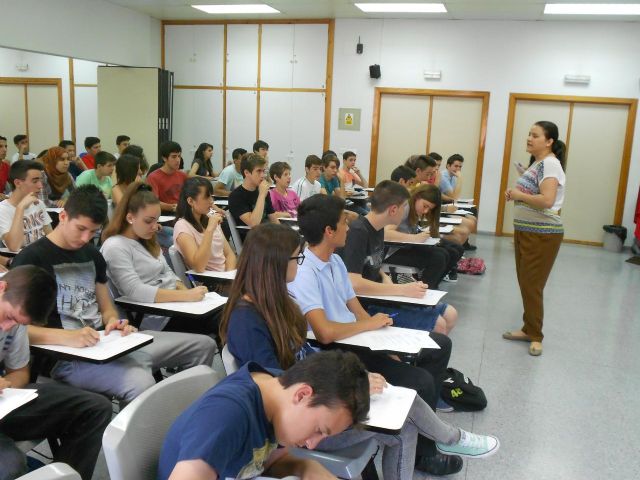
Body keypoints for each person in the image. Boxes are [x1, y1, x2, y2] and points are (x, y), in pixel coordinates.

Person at [220, 223, 499, 480]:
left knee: (401, 405)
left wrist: (353, 378)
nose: (300, 263)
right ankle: (451, 438)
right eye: (297, 257)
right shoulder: (247, 321)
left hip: (314, 400)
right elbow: (279, 385)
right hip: (301, 424)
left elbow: (304, 358)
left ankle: (450, 438)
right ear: (278, 264)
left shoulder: (278, 303)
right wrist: (347, 386)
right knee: (403, 419)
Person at [288, 194, 464, 476]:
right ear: (328, 231)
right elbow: (324, 332)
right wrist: (369, 327)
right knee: (420, 381)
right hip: (338, 351)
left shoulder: (333, 261)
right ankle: (426, 453)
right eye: (344, 223)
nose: (349, 227)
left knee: (437, 344)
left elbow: (354, 307)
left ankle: (424, 439)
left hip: (358, 341)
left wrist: (382, 337)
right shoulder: (305, 272)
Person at [11, 185, 215, 405]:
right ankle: (136, 436)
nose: (85, 238)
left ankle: (185, 416)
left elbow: (106, 307)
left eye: (93, 232)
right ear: (63, 216)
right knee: (140, 382)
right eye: (81, 228)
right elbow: (13, 328)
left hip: (105, 344)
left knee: (203, 346)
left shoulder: (92, 255)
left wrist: (113, 322)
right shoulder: (31, 259)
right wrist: (67, 337)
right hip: (64, 358)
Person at [159, 349, 368, 480]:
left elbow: (268, 463)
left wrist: (306, 467)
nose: (312, 444)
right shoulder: (226, 415)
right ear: (302, 394)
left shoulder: (278, 394)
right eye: (318, 430)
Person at [0, 265, 113, 480]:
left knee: (96, 408)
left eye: (17, 322)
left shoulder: (15, 318)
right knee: (10, 467)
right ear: (1, 287)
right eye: (8, 317)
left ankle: (66, 477)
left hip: (5, 403)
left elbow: (20, 372)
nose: (7, 327)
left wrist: (7, 386)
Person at [337, 181, 457, 334]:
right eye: (403, 207)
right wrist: (400, 289)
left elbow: (372, 263)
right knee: (439, 324)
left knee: (451, 314)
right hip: (365, 303)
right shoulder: (358, 232)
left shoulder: (378, 229)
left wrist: (385, 277)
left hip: (380, 293)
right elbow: (353, 283)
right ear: (393, 210)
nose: (406, 211)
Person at [101, 182, 218, 335]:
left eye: (156, 220)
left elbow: (169, 273)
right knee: (226, 319)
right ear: (130, 217)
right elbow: (135, 290)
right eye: (148, 221)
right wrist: (186, 296)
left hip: (176, 307)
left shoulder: (147, 240)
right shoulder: (115, 246)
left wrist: (189, 296)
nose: (155, 226)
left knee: (231, 313)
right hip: (158, 317)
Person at [503, 120, 566, 357]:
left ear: (549, 141)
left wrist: (519, 194)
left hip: (542, 234)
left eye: (535, 135)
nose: (529, 138)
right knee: (526, 283)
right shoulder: (538, 163)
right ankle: (528, 328)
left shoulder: (550, 164)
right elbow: (535, 194)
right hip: (527, 230)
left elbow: (548, 200)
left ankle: (536, 334)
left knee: (532, 285)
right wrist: (518, 194)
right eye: (529, 134)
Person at [388, 184, 465, 283]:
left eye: (430, 209)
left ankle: (432, 284)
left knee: (455, 249)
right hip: (391, 252)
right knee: (439, 257)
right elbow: (386, 233)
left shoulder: (413, 207)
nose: (426, 211)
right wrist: (414, 238)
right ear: (417, 197)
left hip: (405, 246)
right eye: (425, 206)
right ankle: (426, 289)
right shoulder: (404, 207)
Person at [174, 177, 236, 273]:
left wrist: (229, 275)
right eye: (207, 197)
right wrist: (210, 229)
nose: (211, 201)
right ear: (190, 201)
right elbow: (198, 267)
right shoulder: (182, 226)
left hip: (226, 277)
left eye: (211, 196)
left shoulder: (209, 217)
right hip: (210, 282)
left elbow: (229, 254)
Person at [0, 160, 52, 251]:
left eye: (41, 181)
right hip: (22, 260)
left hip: (43, 254)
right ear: (18, 183)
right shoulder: (3, 209)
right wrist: (20, 208)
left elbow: (51, 236)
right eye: (35, 181)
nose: (40, 186)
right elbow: (14, 246)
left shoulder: (38, 203)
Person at [228, 153, 286, 234]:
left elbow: (273, 219)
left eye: (264, 171)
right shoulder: (236, 196)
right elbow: (254, 224)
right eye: (259, 171)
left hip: (268, 235)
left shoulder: (263, 191)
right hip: (252, 240)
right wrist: (262, 195)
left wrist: (284, 234)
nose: (263, 175)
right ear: (247, 173)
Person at [147, 141, 188, 214]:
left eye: (179, 156)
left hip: (182, 212)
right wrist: (173, 207)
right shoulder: (153, 177)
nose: (178, 160)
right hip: (165, 215)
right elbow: (153, 202)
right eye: (174, 156)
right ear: (164, 158)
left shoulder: (183, 175)